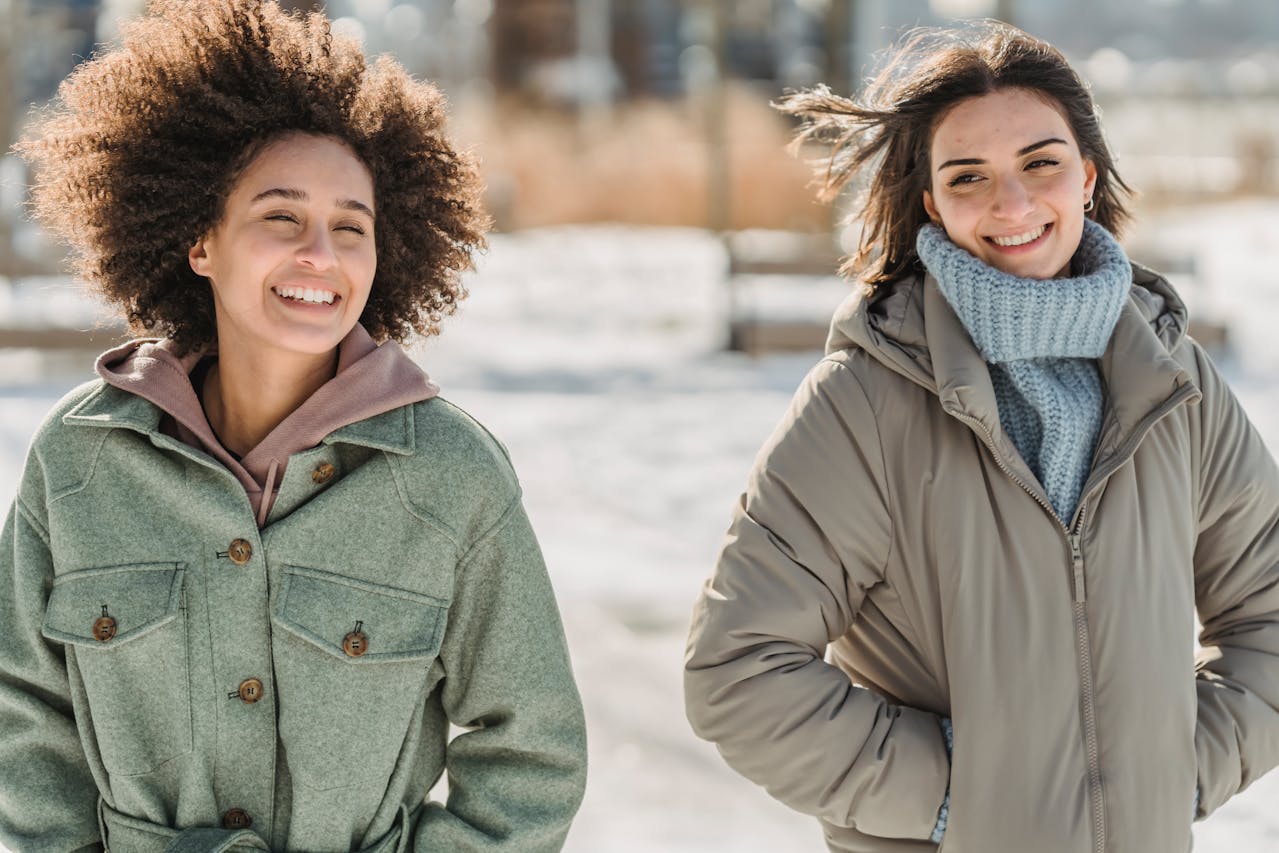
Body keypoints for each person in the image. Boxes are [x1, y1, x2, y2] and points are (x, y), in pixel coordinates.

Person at [0, 2, 587, 851]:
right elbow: (24, 710)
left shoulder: (451, 475)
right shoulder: (82, 457)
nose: (321, 253)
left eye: (351, 227)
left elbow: (531, 749)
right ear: (201, 240)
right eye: (281, 216)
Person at [684, 21, 1279, 853]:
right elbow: (737, 671)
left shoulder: (1172, 381)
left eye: (1041, 163)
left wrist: (1173, 772)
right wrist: (955, 800)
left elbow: (1269, 609)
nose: (1012, 203)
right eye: (969, 177)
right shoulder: (864, 403)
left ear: (1087, 176)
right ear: (932, 203)